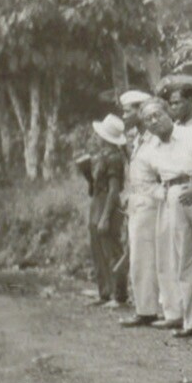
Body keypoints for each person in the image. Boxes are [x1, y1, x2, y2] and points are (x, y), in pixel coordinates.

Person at [139, 97, 192, 343]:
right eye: (148, 119)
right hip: (174, 195)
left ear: (168, 113)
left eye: (157, 114)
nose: (154, 121)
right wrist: (164, 194)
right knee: (183, 259)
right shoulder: (149, 150)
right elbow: (142, 179)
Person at [118, 90, 164, 327]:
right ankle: (145, 307)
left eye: (128, 111)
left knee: (147, 256)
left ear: (140, 111)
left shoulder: (154, 139)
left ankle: (150, 309)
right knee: (139, 257)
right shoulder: (137, 139)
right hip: (137, 201)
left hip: (150, 202)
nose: (124, 116)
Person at [87, 114, 129, 308]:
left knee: (111, 249)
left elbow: (114, 190)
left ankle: (118, 294)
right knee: (98, 249)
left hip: (107, 204)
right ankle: (104, 291)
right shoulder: (103, 157)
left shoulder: (114, 159)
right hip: (98, 202)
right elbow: (96, 186)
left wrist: (105, 216)